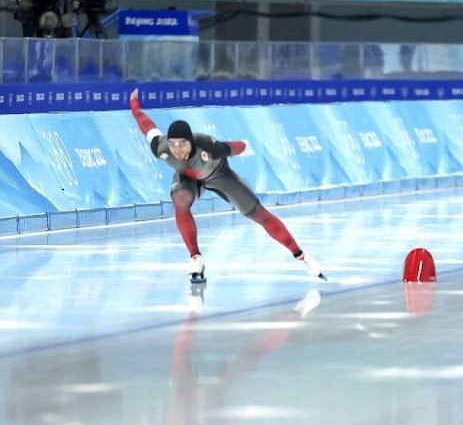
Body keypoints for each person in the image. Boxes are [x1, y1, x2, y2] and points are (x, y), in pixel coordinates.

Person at [129, 88, 325, 282]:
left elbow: (239, 146)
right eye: (173, 144)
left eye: (182, 144)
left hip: (220, 176)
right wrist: (134, 104)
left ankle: (301, 256)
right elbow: (145, 124)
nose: (177, 150)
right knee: (180, 200)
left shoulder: (207, 145)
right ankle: (195, 258)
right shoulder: (161, 148)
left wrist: (231, 148)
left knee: (260, 215)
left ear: (191, 141)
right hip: (188, 178)